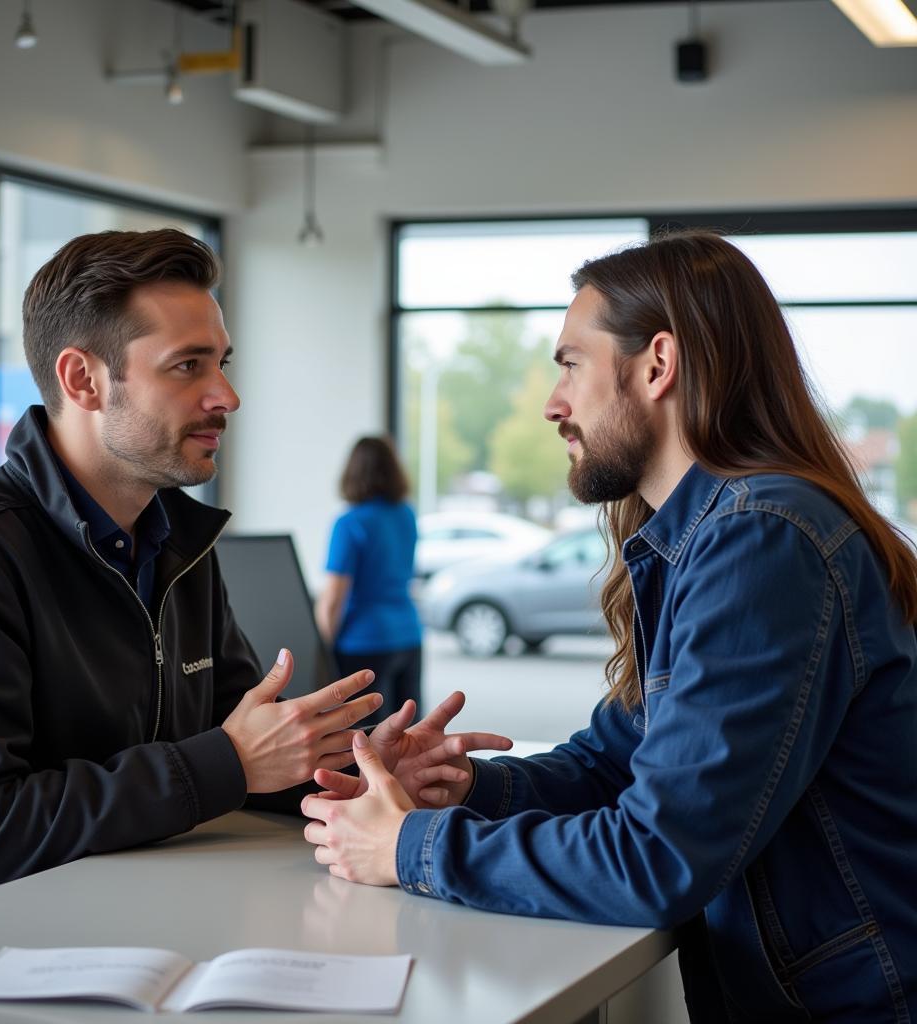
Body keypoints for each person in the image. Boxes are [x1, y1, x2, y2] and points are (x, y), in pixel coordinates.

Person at [302, 231, 917, 1022]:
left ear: (657, 365)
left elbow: (658, 857)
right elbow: (614, 762)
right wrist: (464, 789)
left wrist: (408, 848)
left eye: (569, 365)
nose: (553, 404)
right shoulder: (709, 536)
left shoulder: (763, 539)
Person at [0, 228, 510, 918]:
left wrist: (357, 774)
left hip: (139, 918)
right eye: (188, 366)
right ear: (83, 380)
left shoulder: (179, 544)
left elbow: (247, 749)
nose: (227, 395)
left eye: (222, 362)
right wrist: (228, 762)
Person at [315, 436, 423, 726]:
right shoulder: (406, 515)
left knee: (366, 741)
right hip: (408, 633)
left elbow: (334, 598)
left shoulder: (350, 523)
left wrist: (319, 652)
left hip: (364, 641)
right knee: (406, 736)